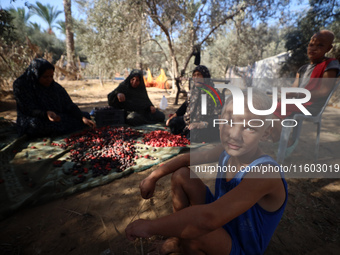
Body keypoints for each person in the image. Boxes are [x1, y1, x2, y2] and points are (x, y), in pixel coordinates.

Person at [125, 88, 288, 255]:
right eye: (229, 122)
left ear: (265, 132)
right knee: (182, 175)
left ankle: (184, 242)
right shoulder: (226, 151)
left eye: (250, 128)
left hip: (240, 247)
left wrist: (150, 227)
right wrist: (153, 177)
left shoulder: (264, 172)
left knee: (196, 230)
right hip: (220, 222)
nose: (234, 135)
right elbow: (184, 159)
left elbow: (208, 219)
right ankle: (180, 240)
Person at [271, 30, 340, 144]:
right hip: (299, 102)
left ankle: (285, 144)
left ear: (329, 48)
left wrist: (297, 94)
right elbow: (294, 89)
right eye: (311, 45)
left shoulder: (330, 64)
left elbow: (324, 91)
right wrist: (285, 93)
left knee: (275, 109)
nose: (314, 48)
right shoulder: (302, 69)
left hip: (312, 105)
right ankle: (279, 141)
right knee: (269, 105)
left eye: (320, 45)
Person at [13, 58, 96, 137]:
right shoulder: (21, 85)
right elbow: (27, 109)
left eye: (51, 76)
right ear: (36, 75)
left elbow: (69, 105)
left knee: (85, 116)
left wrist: (81, 117)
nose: (49, 80)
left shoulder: (55, 87)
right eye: (45, 77)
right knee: (35, 125)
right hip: (33, 119)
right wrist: (45, 114)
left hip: (56, 117)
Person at [166, 65, 223, 143]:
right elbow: (186, 105)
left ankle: (189, 133)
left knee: (196, 135)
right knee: (173, 122)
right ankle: (187, 132)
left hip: (206, 125)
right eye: (194, 75)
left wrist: (202, 124)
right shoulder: (193, 91)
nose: (196, 78)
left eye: (199, 75)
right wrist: (173, 116)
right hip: (190, 122)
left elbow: (219, 115)